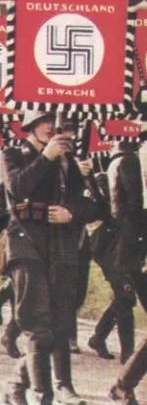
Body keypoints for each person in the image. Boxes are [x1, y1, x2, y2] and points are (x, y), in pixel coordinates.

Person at [2, 112, 100, 405]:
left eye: (56, 123)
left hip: (62, 248)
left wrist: (72, 213)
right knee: (37, 324)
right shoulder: (12, 154)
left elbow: (95, 205)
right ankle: (42, 395)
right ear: (30, 126)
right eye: (44, 120)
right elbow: (17, 188)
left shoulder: (68, 161)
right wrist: (46, 158)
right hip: (27, 246)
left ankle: (45, 384)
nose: (52, 127)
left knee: (60, 322)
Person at [89, 139, 143, 364]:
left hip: (114, 240)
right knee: (126, 293)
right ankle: (128, 356)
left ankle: (99, 337)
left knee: (125, 295)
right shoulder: (130, 162)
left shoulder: (118, 162)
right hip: (120, 242)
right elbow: (133, 207)